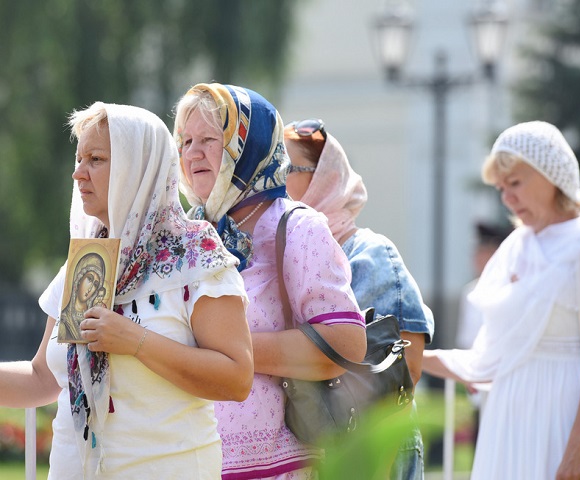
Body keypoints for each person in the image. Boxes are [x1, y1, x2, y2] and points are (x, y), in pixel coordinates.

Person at [0, 102, 254, 479]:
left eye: (95, 159)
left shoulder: (196, 258)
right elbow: (42, 378)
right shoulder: (88, 260)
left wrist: (133, 339)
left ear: (138, 166)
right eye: (79, 158)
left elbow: (236, 378)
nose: (77, 173)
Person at [421, 120, 580, 479]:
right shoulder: (516, 247)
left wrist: (578, 447)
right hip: (505, 417)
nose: (507, 197)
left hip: (563, 416)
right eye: (501, 187)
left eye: (516, 183)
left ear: (551, 174)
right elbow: (488, 358)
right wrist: (411, 354)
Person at [173, 83, 367, 479]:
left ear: (250, 146)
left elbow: (345, 345)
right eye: (185, 140)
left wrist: (225, 357)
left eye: (210, 139)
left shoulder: (296, 227)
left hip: (273, 467)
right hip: (188, 462)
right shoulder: (183, 233)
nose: (192, 152)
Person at [283, 118, 434, 479]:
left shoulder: (369, 253)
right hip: (318, 446)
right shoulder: (284, 256)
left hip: (371, 451)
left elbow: (405, 371)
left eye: (287, 169)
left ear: (325, 177)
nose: (276, 181)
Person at [455, 222, 511, 449]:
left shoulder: (510, 289)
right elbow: (467, 342)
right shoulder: (470, 292)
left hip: (508, 385)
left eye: (483, 251)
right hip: (480, 386)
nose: (476, 257)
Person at [59, 252, 106, 342]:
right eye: (89, 279)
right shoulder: (64, 321)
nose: (91, 288)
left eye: (96, 284)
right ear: (79, 278)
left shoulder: (96, 319)